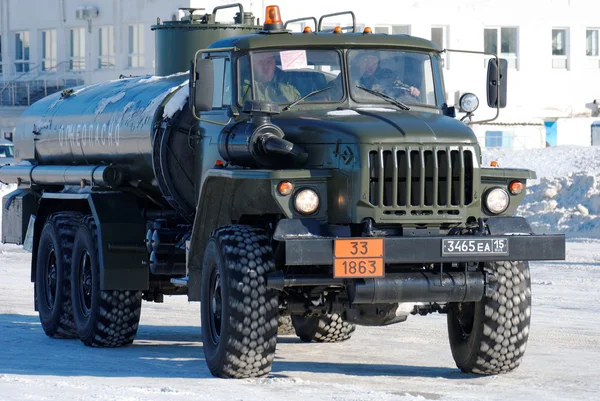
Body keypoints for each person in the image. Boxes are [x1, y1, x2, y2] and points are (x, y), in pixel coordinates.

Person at [352, 51, 421, 100]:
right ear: (358, 62)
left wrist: (412, 91)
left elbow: (399, 86)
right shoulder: (348, 78)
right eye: (365, 60)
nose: (370, 65)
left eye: (374, 61)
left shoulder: (387, 76)